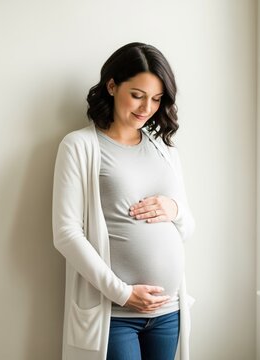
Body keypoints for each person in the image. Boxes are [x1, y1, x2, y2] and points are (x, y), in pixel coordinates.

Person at [52, 42, 195, 360]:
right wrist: (123, 293)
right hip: (115, 313)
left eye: (157, 99)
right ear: (112, 85)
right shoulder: (80, 146)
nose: (147, 108)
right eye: (138, 95)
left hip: (169, 311)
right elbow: (66, 233)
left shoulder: (166, 151)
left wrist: (174, 209)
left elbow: (187, 226)